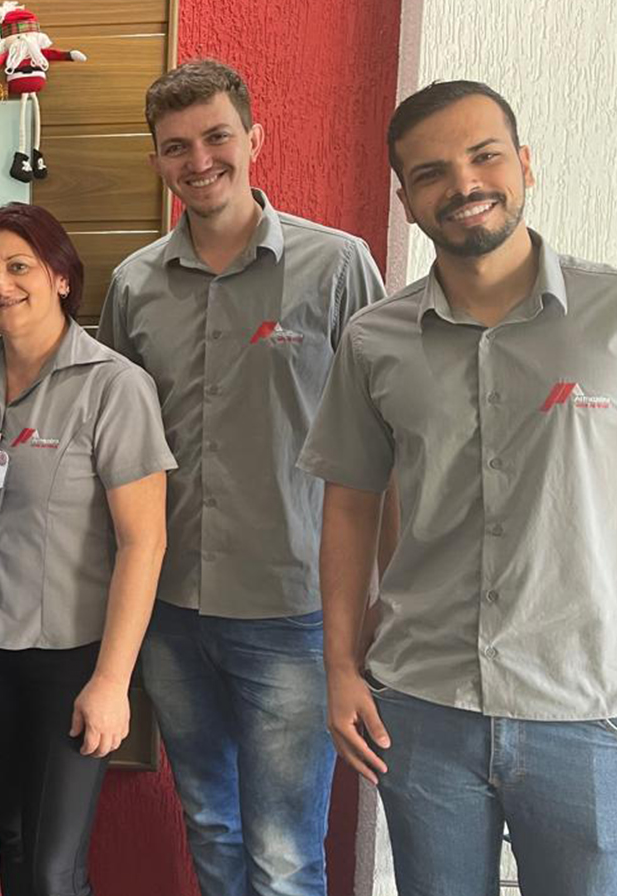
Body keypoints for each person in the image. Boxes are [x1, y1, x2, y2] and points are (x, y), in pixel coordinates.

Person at [302, 80, 617, 895]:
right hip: (421, 702)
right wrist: (340, 668)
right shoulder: (375, 340)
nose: (465, 184)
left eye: (485, 156)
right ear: (407, 200)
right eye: (433, 172)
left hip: (589, 707)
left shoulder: (610, 312)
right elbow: (349, 502)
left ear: (525, 164)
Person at [96, 59, 386, 896]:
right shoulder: (134, 285)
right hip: (171, 609)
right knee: (212, 826)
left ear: (253, 139)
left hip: (294, 611)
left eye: (217, 137)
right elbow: (117, 444)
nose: (199, 160)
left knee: (286, 849)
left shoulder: (337, 267)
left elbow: (389, 437)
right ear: (157, 160)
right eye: (176, 146)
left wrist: (379, 601)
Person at [0, 202, 173, 896]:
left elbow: (144, 541)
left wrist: (111, 682)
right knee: (13, 835)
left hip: (71, 660)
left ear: (61, 276)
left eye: (19, 267)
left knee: (53, 867)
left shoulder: (114, 387)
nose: (1, 286)